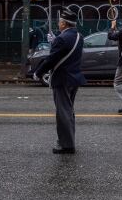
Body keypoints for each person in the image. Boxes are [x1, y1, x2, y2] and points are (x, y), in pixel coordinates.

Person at [33, 9, 86, 154]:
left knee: (63, 113)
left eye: (60, 21)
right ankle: (66, 139)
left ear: (64, 23)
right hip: (74, 77)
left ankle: (67, 145)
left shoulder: (62, 39)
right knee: (69, 111)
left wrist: (38, 72)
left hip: (62, 78)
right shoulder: (79, 36)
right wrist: (56, 39)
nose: (58, 23)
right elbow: (66, 51)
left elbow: (52, 59)